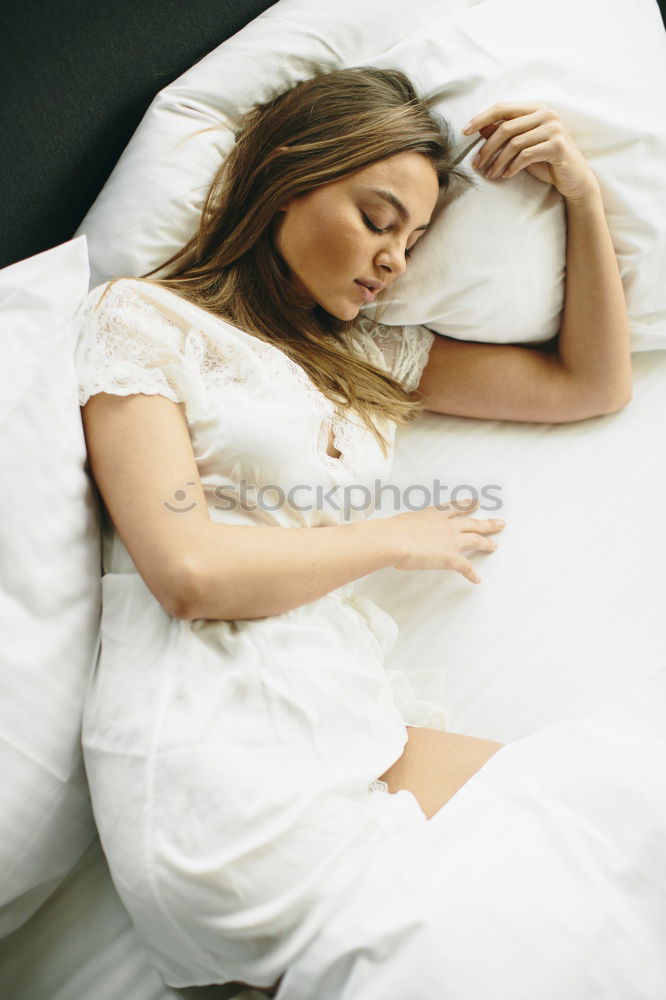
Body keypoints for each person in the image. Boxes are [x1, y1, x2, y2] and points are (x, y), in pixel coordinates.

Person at [75, 67, 633, 994]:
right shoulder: (141, 320)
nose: (395, 264)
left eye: (413, 240)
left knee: (617, 814)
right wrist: (396, 537)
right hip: (214, 750)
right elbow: (187, 569)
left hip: (339, 725)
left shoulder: (366, 356)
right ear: (288, 178)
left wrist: (579, 192)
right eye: (378, 221)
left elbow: (591, 386)